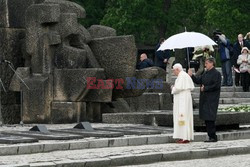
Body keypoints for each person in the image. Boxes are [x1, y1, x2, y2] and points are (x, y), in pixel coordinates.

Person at [188, 57, 221, 142]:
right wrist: (192, 76)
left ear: (211, 63)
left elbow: (216, 86)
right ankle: (210, 136)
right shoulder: (206, 73)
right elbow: (199, 80)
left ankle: (213, 136)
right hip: (205, 99)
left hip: (212, 99)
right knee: (207, 118)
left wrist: (205, 88)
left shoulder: (216, 73)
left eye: (206, 63)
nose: (205, 65)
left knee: (210, 118)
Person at [171, 63, 195, 143]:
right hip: (183, 98)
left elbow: (178, 88)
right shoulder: (183, 75)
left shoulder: (182, 76)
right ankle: (183, 136)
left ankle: (185, 137)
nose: (173, 72)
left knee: (183, 116)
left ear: (177, 69)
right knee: (183, 117)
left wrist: (173, 88)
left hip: (183, 99)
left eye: (174, 70)